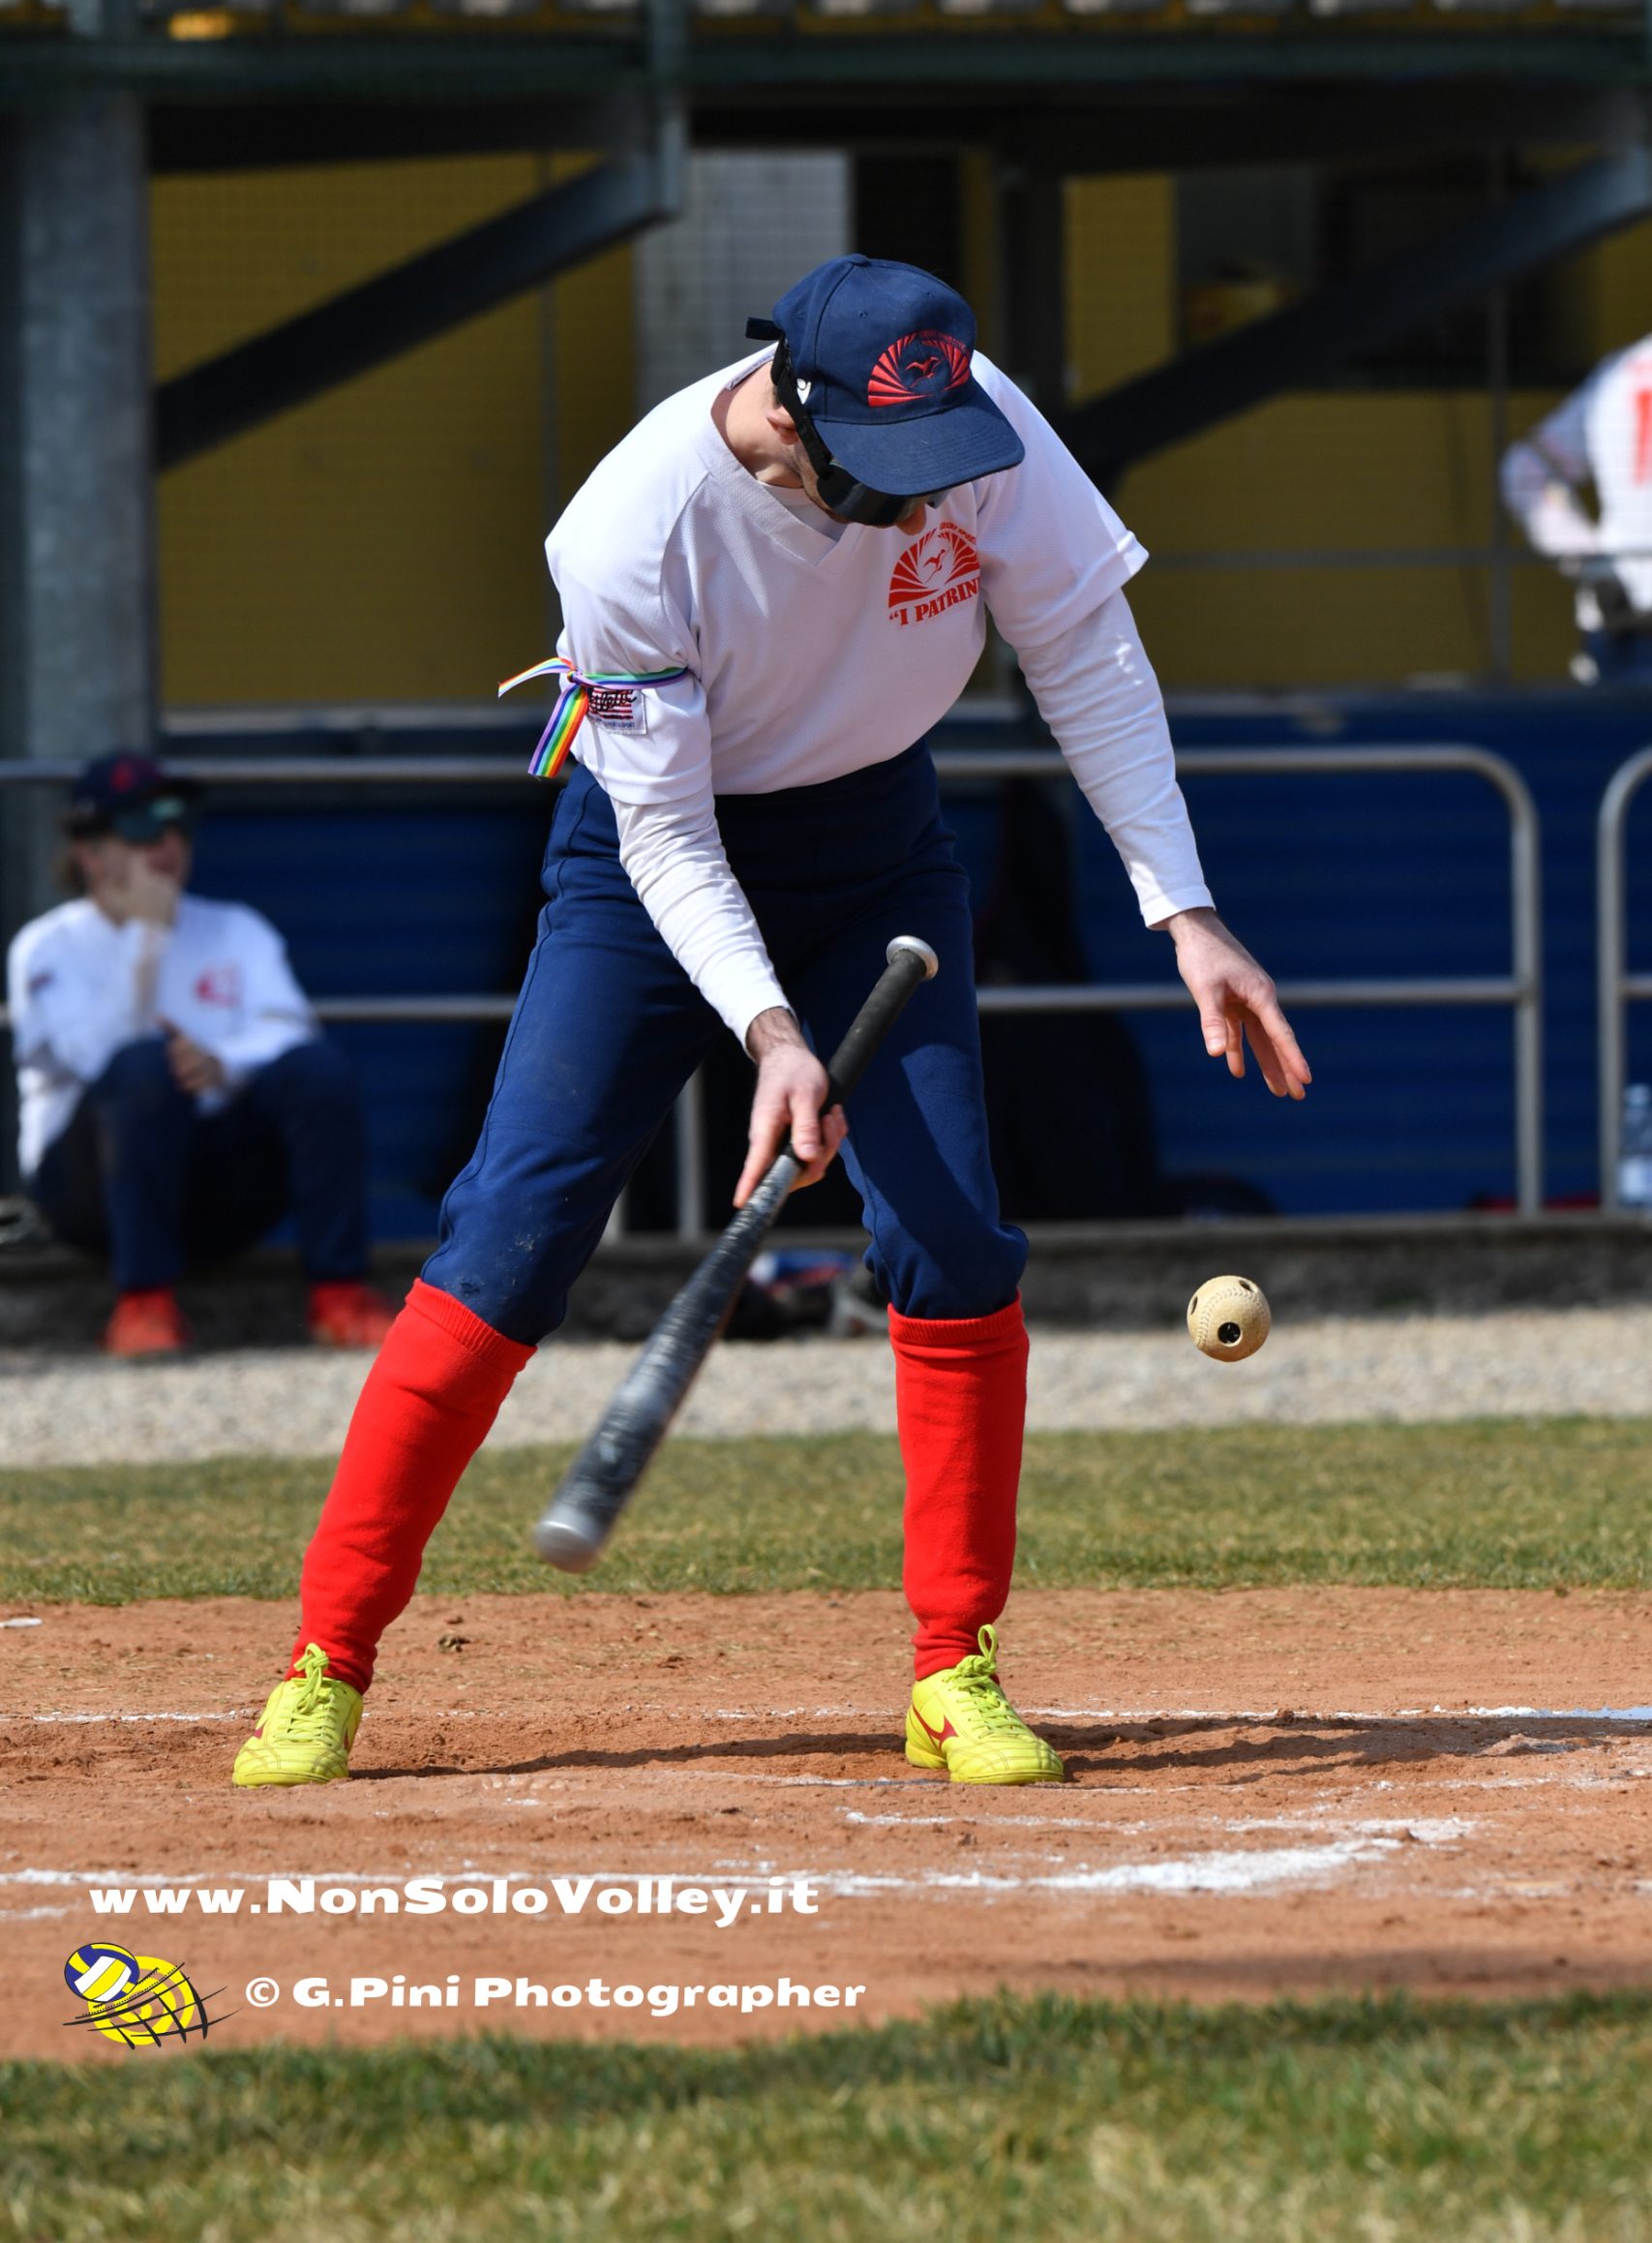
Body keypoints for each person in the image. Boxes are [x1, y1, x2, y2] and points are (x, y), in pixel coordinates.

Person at [232, 256, 1310, 1794]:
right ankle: (324, 1659)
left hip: (872, 848)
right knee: (512, 1231)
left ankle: (953, 1668)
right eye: (881, 470)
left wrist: (1182, 911)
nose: (916, 499)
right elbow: (666, 837)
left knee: (950, 1239)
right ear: (785, 409)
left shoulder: (972, 427)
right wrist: (768, 1031)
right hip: (646, 868)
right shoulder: (629, 528)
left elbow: (1085, 654)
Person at [6, 750, 395, 1355]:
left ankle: (339, 1296)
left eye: (177, 821)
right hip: (90, 1194)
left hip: (217, 1184)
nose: (166, 842)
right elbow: (92, 1059)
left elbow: (291, 1029)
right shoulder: (46, 947)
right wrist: (147, 936)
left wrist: (223, 1065)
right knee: (142, 1068)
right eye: (139, 826)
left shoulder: (237, 928)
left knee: (319, 1071)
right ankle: (143, 1304)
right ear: (90, 854)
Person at [1501, 333, 1652, 682]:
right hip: (1624, 631)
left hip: (1618, 623)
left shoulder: (1623, 370)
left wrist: (1595, 567)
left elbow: (1525, 471)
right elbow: (1526, 471)